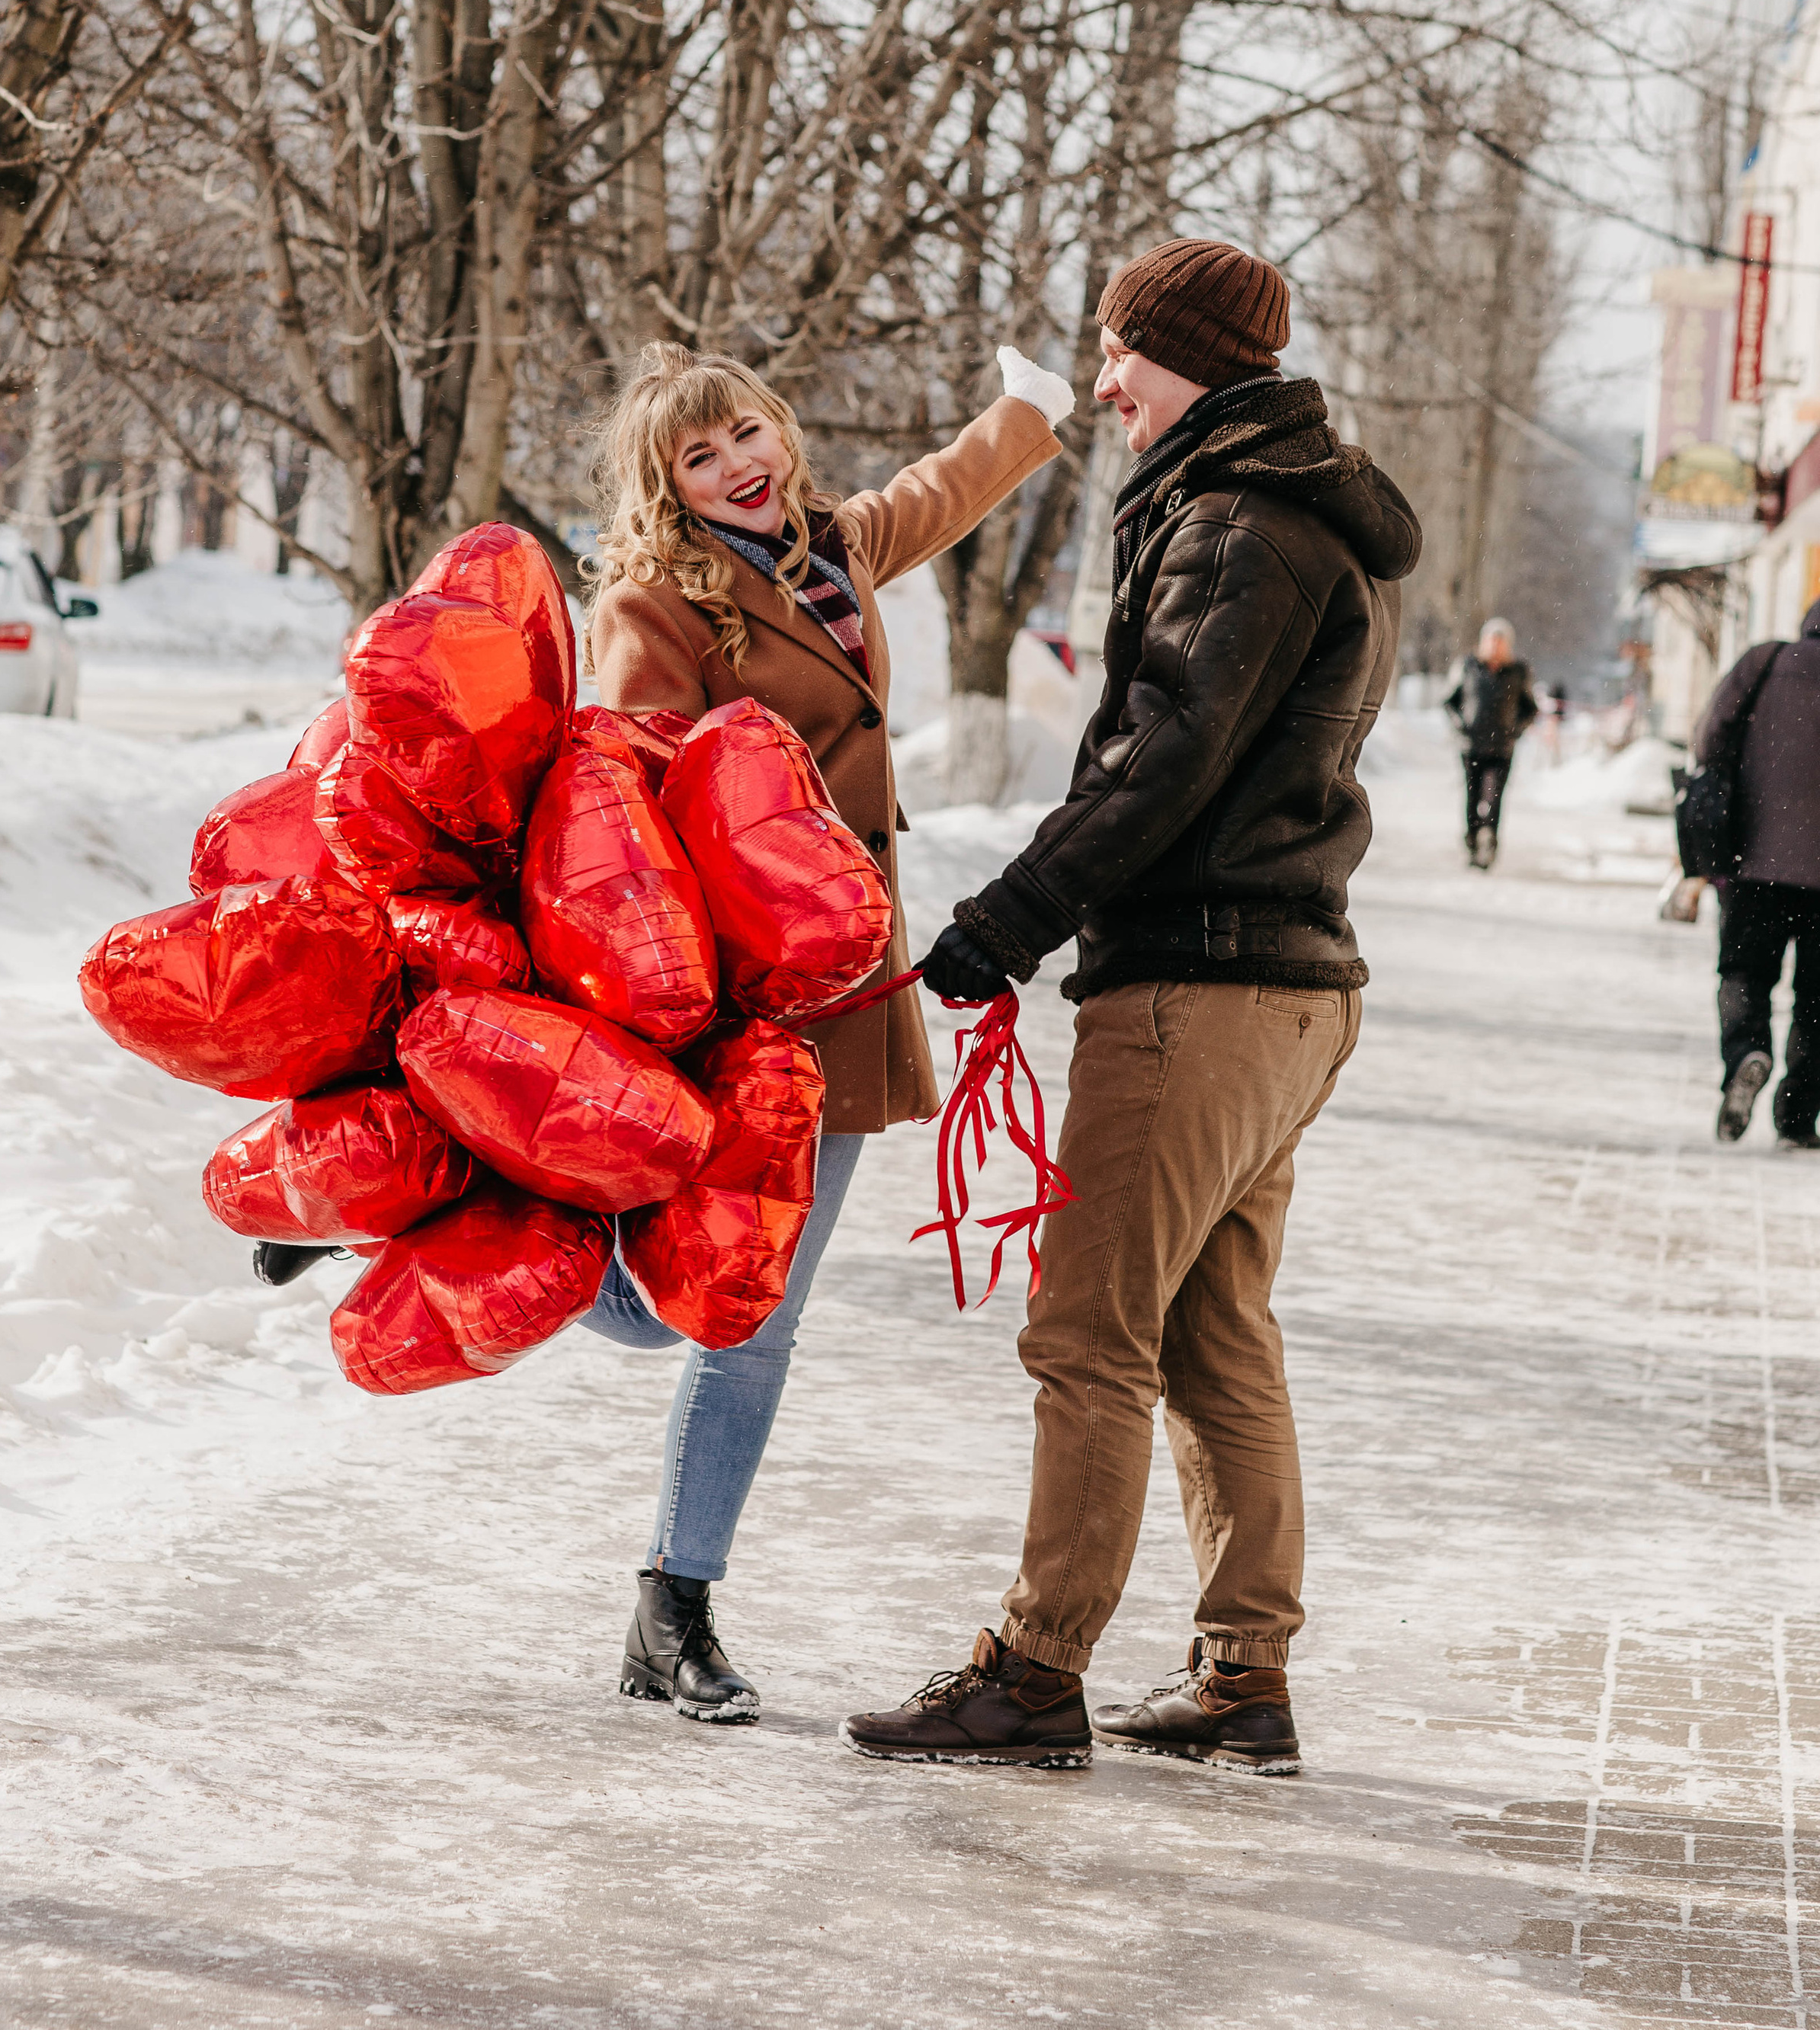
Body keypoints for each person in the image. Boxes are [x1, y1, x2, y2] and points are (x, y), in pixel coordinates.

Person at [841, 236, 1419, 1778]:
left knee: (1087, 1335)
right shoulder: (1295, 510)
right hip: (1287, 989)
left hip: (1199, 985)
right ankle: (1241, 1677)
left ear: (1200, 360)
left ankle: (1034, 1672)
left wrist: (1003, 920)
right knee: (1215, 1331)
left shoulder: (1233, 522)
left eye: (1123, 352)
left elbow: (1158, 761)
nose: (1101, 381)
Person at [581, 337, 1073, 1721]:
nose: (739, 463)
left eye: (746, 432)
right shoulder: (655, 601)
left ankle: (673, 1608)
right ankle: (482, 1227)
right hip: (737, 995)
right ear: (667, 487)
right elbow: (625, 800)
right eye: (700, 454)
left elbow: (936, 492)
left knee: (758, 1316)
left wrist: (1027, 404)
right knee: (660, 1306)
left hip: (846, 998)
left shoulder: (830, 547)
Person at [1693, 600, 1820, 1151]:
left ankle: (1746, 1052)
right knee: (1817, 1001)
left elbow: (1709, 738)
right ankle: (1796, 1118)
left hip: (1756, 861)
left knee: (1744, 973)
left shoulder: (1765, 662)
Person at [1444, 619, 1537, 868]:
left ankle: (1491, 842)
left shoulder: (1518, 671)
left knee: (1494, 797)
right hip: (1471, 746)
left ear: (1508, 645)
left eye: (1500, 641)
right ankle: (1472, 840)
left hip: (1502, 749)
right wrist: (1460, 726)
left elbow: (1531, 709)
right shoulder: (1468, 666)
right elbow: (1450, 702)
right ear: (1484, 643)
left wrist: (1515, 731)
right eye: (1491, 641)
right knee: (1473, 796)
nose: (1495, 646)